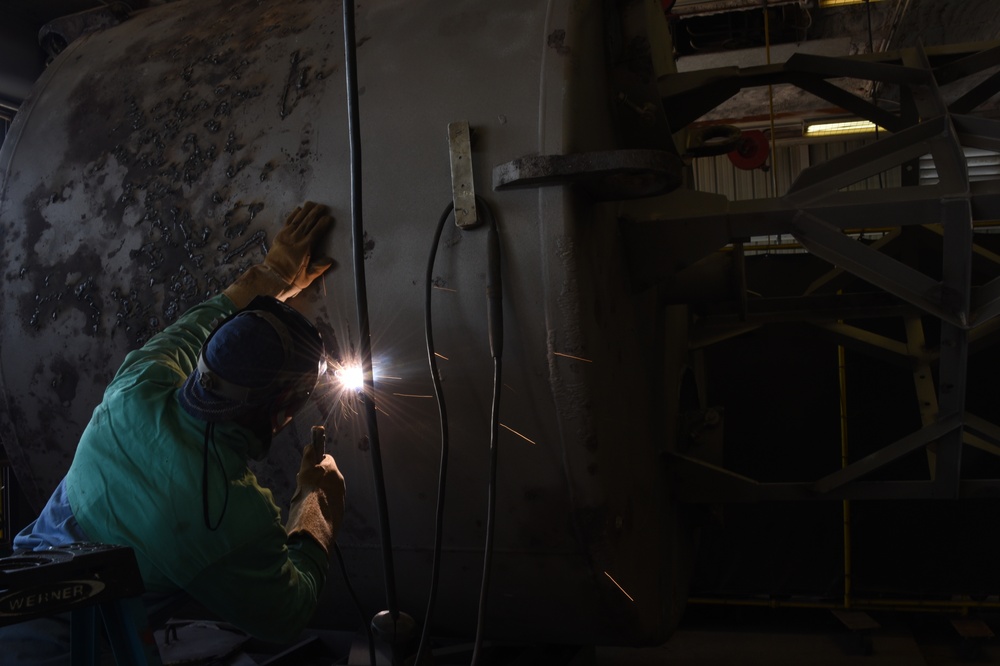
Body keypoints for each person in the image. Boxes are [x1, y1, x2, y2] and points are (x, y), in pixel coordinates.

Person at [0, 201, 346, 663]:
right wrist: (315, 505)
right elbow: (285, 615)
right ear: (281, 414)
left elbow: (209, 318)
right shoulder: (223, 515)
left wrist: (274, 272)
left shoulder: (139, 384)